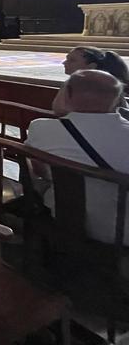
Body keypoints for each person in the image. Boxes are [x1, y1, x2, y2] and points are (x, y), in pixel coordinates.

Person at [26, 70, 129, 245]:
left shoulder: (42, 128)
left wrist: (60, 106)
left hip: (68, 218)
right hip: (124, 232)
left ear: (66, 93)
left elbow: (39, 170)